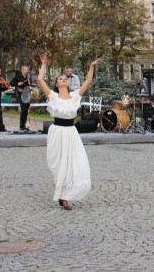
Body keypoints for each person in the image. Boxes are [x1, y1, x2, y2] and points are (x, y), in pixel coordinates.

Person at [37, 53, 103, 210]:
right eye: (60, 79)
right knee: (60, 165)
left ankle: (65, 196)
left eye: (64, 78)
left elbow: (88, 81)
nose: (63, 79)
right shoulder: (52, 96)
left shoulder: (75, 96)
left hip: (71, 132)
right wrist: (44, 64)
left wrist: (91, 66)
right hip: (57, 132)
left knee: (74, 163)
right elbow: (40, 80)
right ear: (56, 84)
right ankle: (62, 194)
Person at [10, 65, 33, 131]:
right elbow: (11, 83)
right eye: (25, 70)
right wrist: (17, 84)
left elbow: (29, 85)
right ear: (22, 70)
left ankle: (26, 125)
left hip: (27, 95)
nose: (27, 71)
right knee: (24, 109)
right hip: (20, 94)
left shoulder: (28, 78)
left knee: (27, 110)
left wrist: (31, 85)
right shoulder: (18, 77)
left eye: (27, 70)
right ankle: (22, 126)